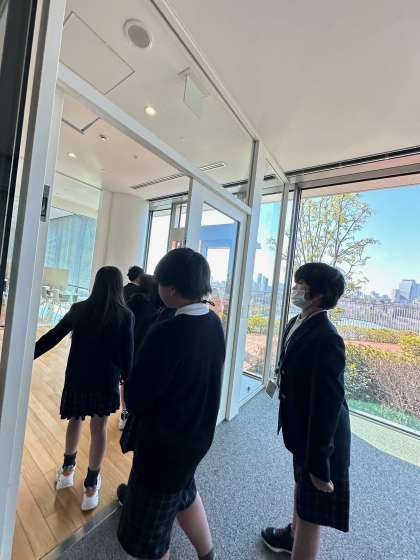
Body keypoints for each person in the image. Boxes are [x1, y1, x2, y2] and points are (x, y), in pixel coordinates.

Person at [117, 248, 225, 560]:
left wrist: (126, 385)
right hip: (196, 438)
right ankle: (207, 554)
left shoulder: (166, 332)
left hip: (162, 448)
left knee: (148, 539)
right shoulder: (213, 322)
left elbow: (137, 398)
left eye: (161, 282)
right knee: (184, 492)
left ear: (172, 289)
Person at [261, 262, 350, 560]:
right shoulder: (298, 320)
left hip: (320, 439)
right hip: (302, 430)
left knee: (312, 512)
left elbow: (327, 407)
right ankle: (293, 535)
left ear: (318, 294)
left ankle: (301, 538)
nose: (294, 289)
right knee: (301, 489)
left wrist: (319, 465)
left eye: (300, 285)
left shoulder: (327, 337)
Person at [34, 266, 134, 511]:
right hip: (105, 381)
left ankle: (67, 471)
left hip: (77, 378)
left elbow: (54, 335)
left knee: (75, 419)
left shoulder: (79, 309)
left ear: (96, 284)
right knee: (99, 428)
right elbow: (127, 357)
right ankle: (91, 487)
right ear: (118, 287)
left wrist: (27, 355)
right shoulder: (125, 315)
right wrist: (129, 383)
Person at [118, 275, 160, 431]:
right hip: (146, 350)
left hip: (130, 348)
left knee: (125, 382)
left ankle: (125, 413)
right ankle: (135, 415)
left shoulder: (131, 303)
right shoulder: (157, 308)